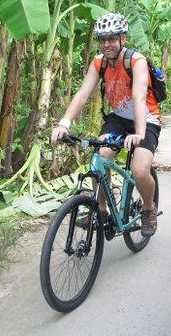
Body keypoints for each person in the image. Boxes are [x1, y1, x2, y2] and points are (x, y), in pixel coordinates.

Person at [51, 13, 160, 236]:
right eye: (102, 39)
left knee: (139, 171)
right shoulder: (99, 62)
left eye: (111, 39)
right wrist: (64, 123)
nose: (106, 44)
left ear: (123, 38)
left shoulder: (136, 61)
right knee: (97, 160)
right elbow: (82, 94)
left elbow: (139, 98)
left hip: (146, 119)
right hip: (118, 118)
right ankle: (100, 210)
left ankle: (148, 208)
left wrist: (139, 133)